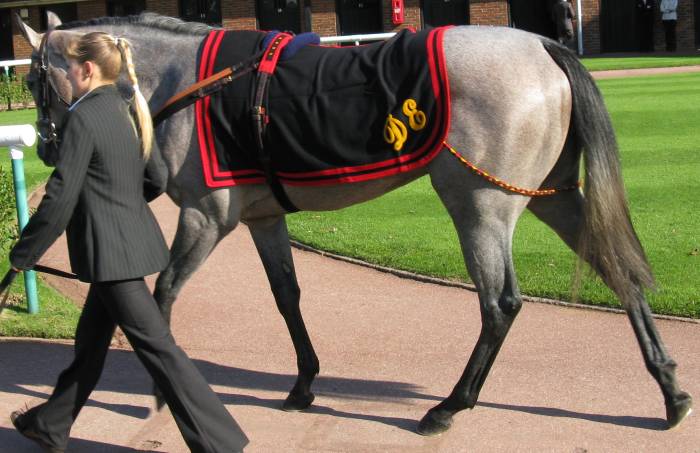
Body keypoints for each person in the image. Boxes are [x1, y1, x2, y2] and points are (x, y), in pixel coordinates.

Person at [8, 32, 248, 453]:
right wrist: (122, 207)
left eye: (70, 68)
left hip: (111, 255)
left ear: (87, 69)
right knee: (90, 346)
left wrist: (23, 253)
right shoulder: (127, 108)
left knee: (159, 350)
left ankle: (220, 443)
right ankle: (50, 425)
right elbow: (156, 177)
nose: (67, 75)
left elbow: (60, 196)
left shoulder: (82, 117)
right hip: (120, 249)